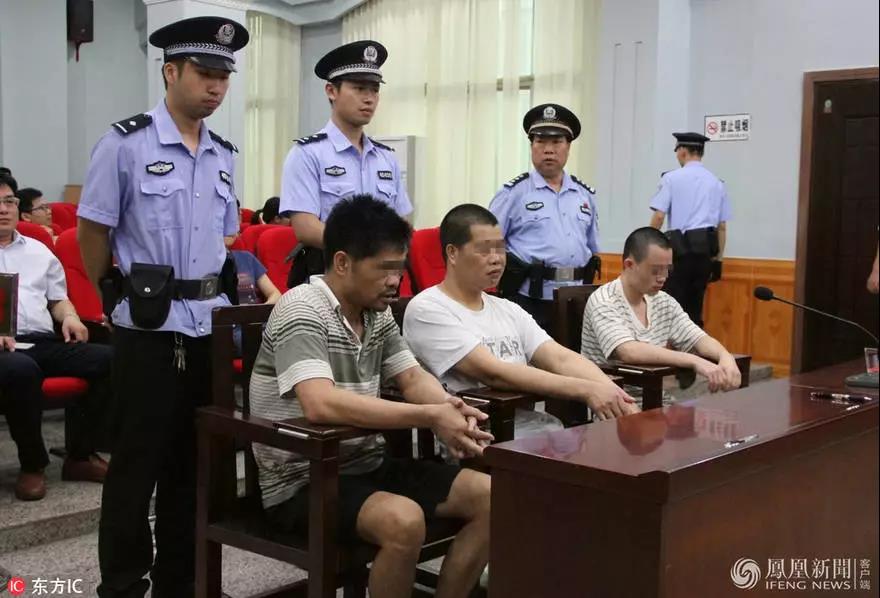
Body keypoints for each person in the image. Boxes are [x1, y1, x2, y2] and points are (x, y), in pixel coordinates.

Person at [76, 16, 249, 598]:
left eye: (224, 76)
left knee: (193, 465)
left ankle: (182, 579)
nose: (216, 87)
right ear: (170, 71)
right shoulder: (125, 144)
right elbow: (93, 230)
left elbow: (226, 236)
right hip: (148, 328)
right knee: (136, 465)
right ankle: (124, 583)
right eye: (204, 73)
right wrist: (111, 289)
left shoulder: (224, 153)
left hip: (207, 327)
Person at [251, 195, 492, 598]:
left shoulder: (376, 313)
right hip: (303, 478)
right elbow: (320, 403)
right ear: (343, 262)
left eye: (399, 269)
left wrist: (449, 406)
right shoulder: (302, 309)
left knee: (492, 496)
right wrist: (429, 416)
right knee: (404, 521)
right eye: (384, 269)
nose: (395, 281)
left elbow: (411, 377)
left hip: (367, 463)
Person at [403, 204, 636, 436]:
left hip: (535, 431)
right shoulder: (428, 308)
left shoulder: (507, 308)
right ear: (453, 253)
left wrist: (615, 394)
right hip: (476, 435)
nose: (496, 259)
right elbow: (493, 372)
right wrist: (586, 390)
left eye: (501, 249)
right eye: (484, 250)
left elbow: (560, 358)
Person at [0, 170, 111, 501]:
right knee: (21, 370)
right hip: (4, 349)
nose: (3, 209)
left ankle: (80, 456)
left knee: (110, 359)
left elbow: (57, 299)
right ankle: (32, 465)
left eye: (9, 201)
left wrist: (71, 317)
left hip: (40, 340)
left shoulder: (38, 251)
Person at [280, 40, 412, 288]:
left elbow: (401, 222)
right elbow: (306, 228)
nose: (369, 98)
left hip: (382, 281)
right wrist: (365, 253)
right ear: (331, 91)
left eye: (374, 90)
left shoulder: (386, 158)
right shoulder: (308, 154)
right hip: (329, 277)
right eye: (359, 88)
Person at [581, 227, 742, 398]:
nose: (663, 277)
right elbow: (628, 351)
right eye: (655, 270)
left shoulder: (663, 301)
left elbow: (698, 338)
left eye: (667, 269)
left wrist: (725, 356)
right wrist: (694, 361)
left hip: (655, 400)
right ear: (629, 265)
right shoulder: (605, 300)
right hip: (611, 402)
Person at [489, 103, 600, 332]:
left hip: (576, 299)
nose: (549, 150)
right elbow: (490, 245)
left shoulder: (584, 195)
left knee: (573, 354)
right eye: (540, 141)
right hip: (528, 299)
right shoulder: (513, 193)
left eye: (557, 142)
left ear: (568, 147)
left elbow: (592, 248)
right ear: (531, 146)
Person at [649, 132, 731, 329]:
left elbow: (659, 216)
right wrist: (718, 261)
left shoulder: (671, 178)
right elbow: (722, 226)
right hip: (705, 254)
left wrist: (647, 247)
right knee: (695, 310)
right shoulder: (717, 183)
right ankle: (693, 347)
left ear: (683, 151)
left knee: (670, 309)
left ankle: (671, 347)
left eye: (677, 151)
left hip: (679, 253)